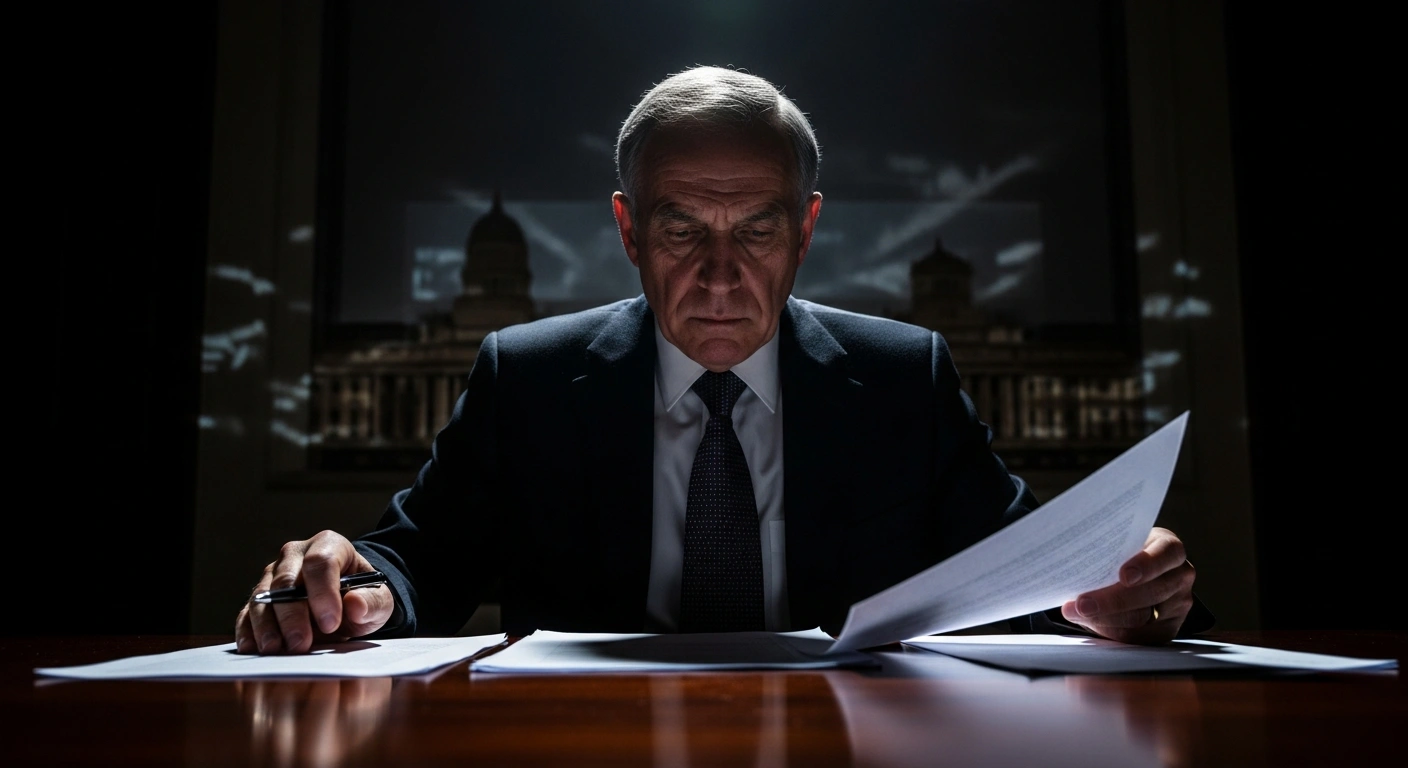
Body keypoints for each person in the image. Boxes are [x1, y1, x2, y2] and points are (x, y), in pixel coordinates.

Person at [235, 67, 1203, 655]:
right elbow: (416, 570)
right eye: (681, 229)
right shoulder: (524, 379)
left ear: (806, 231)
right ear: (625, 230)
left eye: (756, 231)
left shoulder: (905, 377)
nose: (720, 277)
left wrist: (1111, 597)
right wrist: (347, 590)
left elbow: (1027, 583)